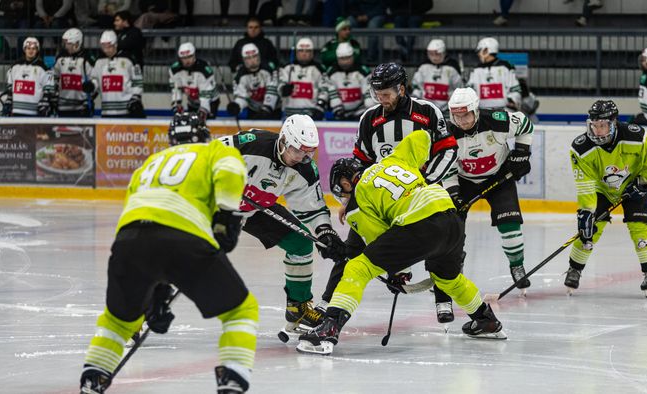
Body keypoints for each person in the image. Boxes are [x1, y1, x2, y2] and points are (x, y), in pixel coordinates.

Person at [78, 112, 256, 394]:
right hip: (183, 239)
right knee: (240, 310)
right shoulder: (213, 150)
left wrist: (155, 289)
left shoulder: (150, 162)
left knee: (118, 320)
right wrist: (226, 218)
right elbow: (231, 170)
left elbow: (137, 212)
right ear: (203, 134)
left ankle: (93, 377)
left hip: (129, 242)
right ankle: (232, 380)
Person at [296, 130, 507, 356]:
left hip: (421, 223)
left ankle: (328, 330)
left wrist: (398, 273)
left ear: (347, 182)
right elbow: (421, 137)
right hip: (450, 216)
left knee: (357, 268)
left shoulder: (357, 203)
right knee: (449, 279)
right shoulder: (392, 159)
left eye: (341, 190)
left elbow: (380, 238)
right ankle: (486, 321)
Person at [317, 62, 458, 322]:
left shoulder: (427, 112)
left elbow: (448, 148)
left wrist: (428, 181)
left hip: (422, 197)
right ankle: (326, 304)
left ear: (401, 89)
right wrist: (351, 200)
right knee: (351, 249)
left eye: (386, 95)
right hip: (382, 200)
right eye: (376, 94)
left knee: (442, 248)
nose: (381, 100)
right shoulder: (369, 118)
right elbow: (359, 162)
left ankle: (443, 299)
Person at [218, 114, 346, 337]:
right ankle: (140, 309)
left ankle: (298, 307)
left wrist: (325, 232)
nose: (303, 158)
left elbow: (313, 207)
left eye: (309, 152)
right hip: (214, 205)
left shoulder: (305, 169)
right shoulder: (252, 143)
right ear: (284, 140)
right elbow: (205, 156)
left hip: (253, 208)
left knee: (300, 243)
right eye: (298, 150)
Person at [565, 100, 647, 298]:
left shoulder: (636, 135)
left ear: (613, 122)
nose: (598, 131)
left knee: (640, 226)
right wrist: (586, 212)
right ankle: (574, 269)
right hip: (602, 190)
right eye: (595, 125)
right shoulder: (581, 148)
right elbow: (585, 184)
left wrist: (644, 182)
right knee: (589, 230)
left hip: (634, 186)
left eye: (603, 125)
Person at [444, 87, 534, 299]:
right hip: (464, 182)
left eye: (466, 114)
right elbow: (445, 167)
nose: (462, 120)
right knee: (452, 227)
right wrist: (453, 193)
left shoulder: (497, 119)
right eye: (457, 115)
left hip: (499, 177)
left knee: (509, 223)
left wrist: (521, 153)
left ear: (475, 110)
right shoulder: (446, 133)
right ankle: (452, 269)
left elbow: (525, 124)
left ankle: (517, 265)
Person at [269, 37, 330, 120]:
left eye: (307, 51)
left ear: (312, 53)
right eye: (301, 51)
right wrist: (283, 89)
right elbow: (278, 84)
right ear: (296, 53)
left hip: (311, 116)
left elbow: (325, 89)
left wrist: (320, 107)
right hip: (289, 116)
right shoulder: (286, 68)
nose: (304, 54)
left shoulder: (320, 70)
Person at [89, 30, 145, 118]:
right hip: (106, 110)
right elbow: (95, 80)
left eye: (109, 46)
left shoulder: (129, 59)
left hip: (126, 110)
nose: (106, 50)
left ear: (115, 44)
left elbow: (138, 81)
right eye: (103, 47)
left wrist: (135, 98)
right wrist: (91, 85)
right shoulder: (99, 61)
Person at [411, 39, 463, 118]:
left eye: (437, 54)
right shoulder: (423, 66)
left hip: (447, 110)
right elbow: (416, 85)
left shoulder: (452, 67)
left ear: (443, 53)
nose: (434, 57)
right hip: (426, 109)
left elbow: (459, 87)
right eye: (431, 54)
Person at [227, 43, 281, 120]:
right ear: (244, 60)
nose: (252, 60)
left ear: (259, 56)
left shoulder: (269, 69)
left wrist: (266, 108)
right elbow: (242, 96)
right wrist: (237, 106)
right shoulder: (239, 76)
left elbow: (273, 90)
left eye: (254, 56)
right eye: (248, 58)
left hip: (273, 110)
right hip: (253, 110)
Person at [467, 37, 522, 111]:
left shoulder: (506, 67)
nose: (478, 54)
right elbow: (470, 90)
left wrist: (511, 102)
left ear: (486, 50)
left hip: (504, 113)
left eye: (479, 51)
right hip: (482, 113)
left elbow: (515, 89)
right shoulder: (476, 69)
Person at [4, 37, 54, 117]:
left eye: (34, 48)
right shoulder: (15, 66)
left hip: (34, 113)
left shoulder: (43, 68)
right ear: (24, 49)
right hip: (16, 110)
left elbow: (48, 89)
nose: (31, 51)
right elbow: (10, 88)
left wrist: (44, 102)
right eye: (28, 48)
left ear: (37, 50)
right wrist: (9, 101)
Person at [169, 42, 220, 121]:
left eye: (189, 57)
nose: (187, 60)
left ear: (194, 55)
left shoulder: (204, 70)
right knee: (191, 125)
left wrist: (203, 110)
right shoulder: (174, 70)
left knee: (206, 124)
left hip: (210, 101)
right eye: (184, 58)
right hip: (192, 101)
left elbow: (206, 94)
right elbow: (176, 89)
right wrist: (177, 104)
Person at [53, 28, 97, 117]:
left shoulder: (87, 58)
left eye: (68, 43)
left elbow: (95, 80)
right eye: (65, 43)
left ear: (77, 43)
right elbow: (54, 76)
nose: (66, 46)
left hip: (82, 107)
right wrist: (54, 93)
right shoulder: (60, 57)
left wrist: (91, 90)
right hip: (62, 106)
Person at [324, 42, 373, 120]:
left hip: (360, 112)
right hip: (338, 112)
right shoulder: (330, 72)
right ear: (337, 58)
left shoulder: (363, 71)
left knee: (369, 103)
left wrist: (367, 110)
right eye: (342, 59)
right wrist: (337, 109)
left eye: (347, 58)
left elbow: (368, 94)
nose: (345, 62)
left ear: (352, 57)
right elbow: (331, 92)